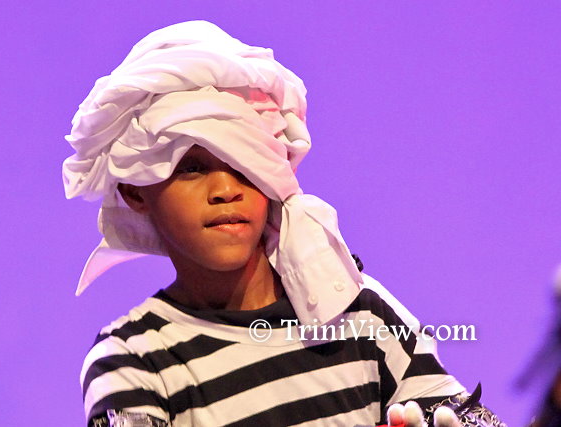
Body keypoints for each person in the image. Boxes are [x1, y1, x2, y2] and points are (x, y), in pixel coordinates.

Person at [63, 21, 504, 427]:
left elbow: (466, 417)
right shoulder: (133, 359)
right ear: (135, 191)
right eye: (192, 168)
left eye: (245, 163)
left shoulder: (360, 310)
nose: (226, 190)